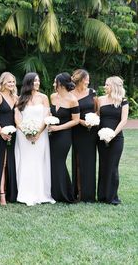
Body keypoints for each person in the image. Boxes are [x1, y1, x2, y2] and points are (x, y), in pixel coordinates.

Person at [15, 72, 55, 206]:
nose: (37, 83)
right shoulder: (20, 98)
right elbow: (17, 118)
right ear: (28, 83)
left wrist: (38, 132)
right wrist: (25, 131)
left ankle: (41, 193)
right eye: (34, 81)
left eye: (38, 81)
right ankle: (25, 193)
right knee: (26, 162)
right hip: (23, 136)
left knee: (39, 162)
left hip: (41, 135)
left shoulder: (44, 97)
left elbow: (47, 116)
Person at [49, 73, 80, 203]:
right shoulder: (52, 96)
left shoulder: (72, 100)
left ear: (61, 84)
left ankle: (64, 194)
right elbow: (51, 112)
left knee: (59, 162)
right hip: (50, 135)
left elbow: (76, 120)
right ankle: (52, 192)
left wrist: (59, 128)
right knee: (50, 162)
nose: (53, 84)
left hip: (64, 136)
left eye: (55, 82)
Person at [97, 76, 128, 205]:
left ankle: (112, 197)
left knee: (113, 166)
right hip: (101, 138)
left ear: (114, 86)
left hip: (116, 139)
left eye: (107, 85)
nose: (105, 87)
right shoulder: (100, 99)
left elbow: (124, 120)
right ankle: (102, 196)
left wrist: (113, 134)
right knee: (103, 165)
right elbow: (98, 116)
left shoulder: (123, 101)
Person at [0, 72, 18, 205]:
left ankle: (10, 191)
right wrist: (1, 131)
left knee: (11, 161)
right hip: (0, 133)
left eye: (13, 82)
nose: (12, 84)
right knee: (3, 161)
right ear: (2, 83)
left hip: (13, 134)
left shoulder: (16, 97)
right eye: (9, 82)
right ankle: (1, 193)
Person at [71, 69, 98, 202]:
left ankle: (89, 195)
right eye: (87, 79)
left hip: (91, 132)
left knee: (90, 161)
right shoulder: (71, 95)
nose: (88, 81)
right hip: (77, 130)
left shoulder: (92, 92)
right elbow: (71, 115)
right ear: (81, 80)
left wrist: (94, 120)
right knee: (78, 161)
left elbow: (97, 109)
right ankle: (78, 193)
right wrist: (83, 122)